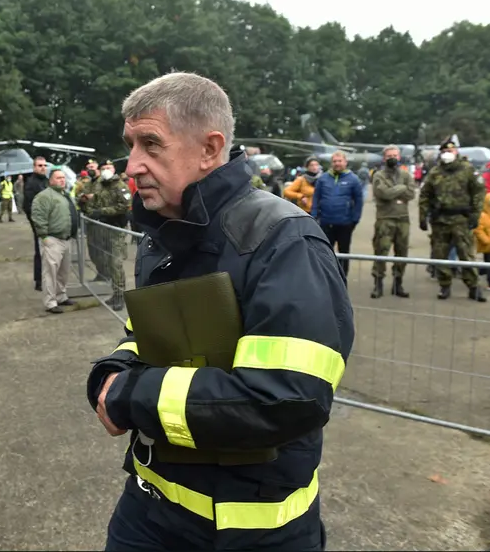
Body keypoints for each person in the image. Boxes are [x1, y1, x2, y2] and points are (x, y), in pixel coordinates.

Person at [86, 72, 354, 551]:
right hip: (149, 510)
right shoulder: (163, 232)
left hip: (253, 531)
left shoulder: (285, 241)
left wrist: (131, 395)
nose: (131, 165)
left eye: (151, 144)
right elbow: (146, 335)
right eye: (130, 144)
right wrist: (113, 369)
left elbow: (287, 396)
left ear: (210, 149)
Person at [419, 136, 486, 301]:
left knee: (467, 255)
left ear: (456, 152)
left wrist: (475, 216)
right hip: (440, 220)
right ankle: (444, 286)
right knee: (440, 255)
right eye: (444, 151)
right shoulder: (435, 173)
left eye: (450, 151)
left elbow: (478, 193)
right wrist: (423, 216)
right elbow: (425, 195)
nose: (447, 154)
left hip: (461, 220)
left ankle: (473, 287)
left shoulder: (467, 169)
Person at [30, 167, 79, 313]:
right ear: (50, 180)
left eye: (63, 178)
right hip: (52, 239)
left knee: (63, 272)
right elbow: (38, 217)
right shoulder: (44, 196)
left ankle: (61, 296)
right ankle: (50, 303)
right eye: (58, 178)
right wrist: (44, 236)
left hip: (66, 239)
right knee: (50, 273)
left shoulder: (65, 195)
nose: (62, 180)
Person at [370, 145, 415, 299]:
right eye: (389, 155)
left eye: (395, 155)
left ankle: (398, 283)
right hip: (385, 219)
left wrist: (397, 191)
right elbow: (383, 193)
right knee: (381, 251)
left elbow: (411, 194)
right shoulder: (378, 175)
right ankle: (378, 284)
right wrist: (401, 189)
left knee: (402, 252)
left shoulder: (406, 175)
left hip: (403, 219)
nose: (392, 158)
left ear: (399, 156)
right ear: (384, 158)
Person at [310, 151, 364, 277]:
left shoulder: (353, 179)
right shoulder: (323, 178)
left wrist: (354, 220)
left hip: (345, 224)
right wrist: (313, 216)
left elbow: (359, 201)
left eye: (340, 161)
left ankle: (342, 280)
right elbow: (316, 198)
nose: (337, 163)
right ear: (331, 163)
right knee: (324, 253)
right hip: (326, 223)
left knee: (344, 254)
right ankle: (326, 279)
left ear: (345, 162)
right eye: (335, 161)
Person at [87, 160, 132, 311]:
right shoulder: (99, 185)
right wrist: (93, 211)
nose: (106, 170)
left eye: (109, 167)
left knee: (116, 263)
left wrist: (103, 212)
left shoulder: (120, 186)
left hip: (117, 229)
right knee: (106, 260)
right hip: (103, 229)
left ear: (114, 169)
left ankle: (120, 296)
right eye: (104, 168)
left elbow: (125, 206)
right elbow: (94, 202)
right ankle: (115, 293)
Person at [23, 157, 49, 291]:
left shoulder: (46, 181)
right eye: (40, 165)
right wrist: (37, 225)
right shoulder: (31, 183)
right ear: (34, 167)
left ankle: (47, 279)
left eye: (44, 165)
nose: (43, 168)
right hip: (40, 224)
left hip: (50, 223)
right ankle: (39, 281)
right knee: (40, 251)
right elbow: (28, 206)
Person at [474, 192, 490, 288]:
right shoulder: (483, 216)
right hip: (488, 246)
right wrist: (486, 241)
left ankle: (481, 270)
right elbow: (478, 230)